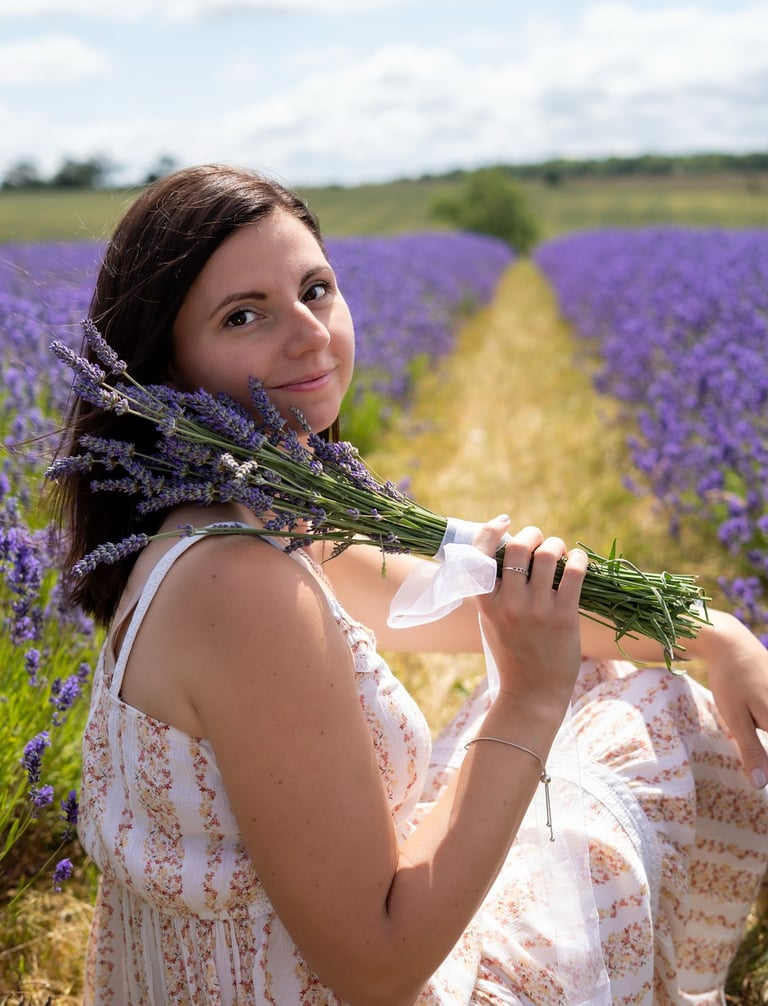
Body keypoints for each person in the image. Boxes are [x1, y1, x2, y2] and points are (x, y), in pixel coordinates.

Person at [53, 163, 768, 1006]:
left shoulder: (254, 521)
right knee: (632, 720)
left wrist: (712, 631)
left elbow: (453, 596)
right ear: (164, 369)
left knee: (611, 671)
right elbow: (378, 970)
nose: (308, 335)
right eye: (243, 315)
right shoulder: (239, 588)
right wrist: (526, 700)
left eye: (315, 290)